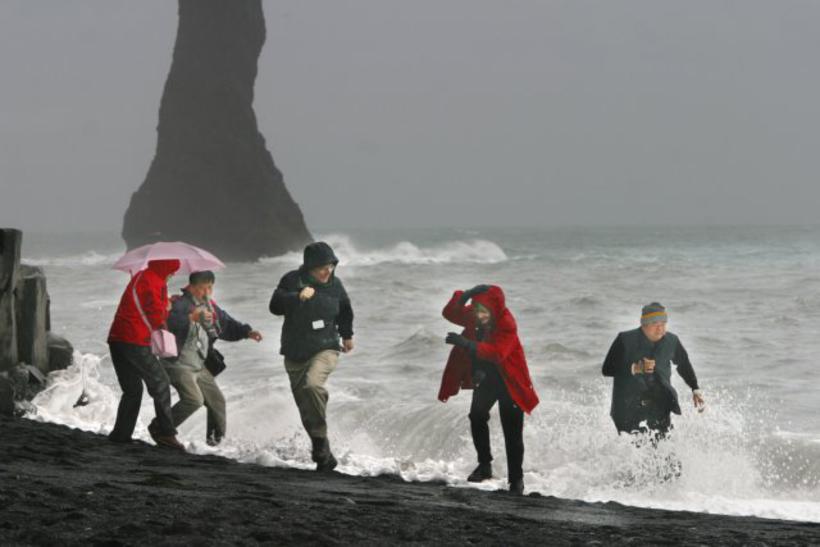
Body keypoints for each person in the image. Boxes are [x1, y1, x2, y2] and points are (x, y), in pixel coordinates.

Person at [440, 284, 539, 495]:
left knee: (511, 431)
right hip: (487, 379)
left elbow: (497, 353)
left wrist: (466, 344)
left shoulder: (506, 323)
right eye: (476, 310)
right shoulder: (475, 314)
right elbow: (449, 313)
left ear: (494, 309)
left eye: (484, 312)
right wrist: (465, 295)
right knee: (476, 416)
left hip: (510, 381)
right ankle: (485, 465)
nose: (480, 316)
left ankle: (516, 481)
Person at [269, 242, 354, 471]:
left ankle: (319, 442)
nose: (327, 271)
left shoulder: (336, 285)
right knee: (306, 405)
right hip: (295, 351)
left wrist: (347, 335)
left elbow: (345, 310)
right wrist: (297, 297)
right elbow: (275, 306)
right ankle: (323, 451)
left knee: (312, 386)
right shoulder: (292, 280)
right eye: (321, 268)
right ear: (309, 268)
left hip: (326, 346)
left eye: (331, 266)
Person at [152, 270, 263, 446]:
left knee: (217, 402)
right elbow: (166, 320)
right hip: (177, 363)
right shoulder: (178, 303)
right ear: (191, 286)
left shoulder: (210, 306)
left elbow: (226, 324)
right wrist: (191, 317)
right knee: (194, 400)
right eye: (203, 289)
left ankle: (214, 445)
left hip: (199, 364)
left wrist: (247, 332)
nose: (207, 292)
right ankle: (160, 428)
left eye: (210, 288)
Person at [107, 259, 184, 450]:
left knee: (132, 390)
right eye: (172, 271)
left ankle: (120, 435)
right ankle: (166, 434)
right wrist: (167, 307)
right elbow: (157, 317)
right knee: (161, 383)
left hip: (117, 338)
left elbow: (142, 304)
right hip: (134, 340)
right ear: (166, 268)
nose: (172, 275)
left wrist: (164, 301)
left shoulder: (142, 276)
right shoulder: (156, 282)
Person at [602, 302, 705, 438]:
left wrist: (695, 388)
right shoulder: (625, 340)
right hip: (628, 409)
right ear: (644, 324)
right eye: (655, 324)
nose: (660, 329)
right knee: (636, 453)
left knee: (665, 453)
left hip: (660, 406)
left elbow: (683, 364)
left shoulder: (672, 341)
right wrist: (635, 368)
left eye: (663, 324)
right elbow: (607, 369)